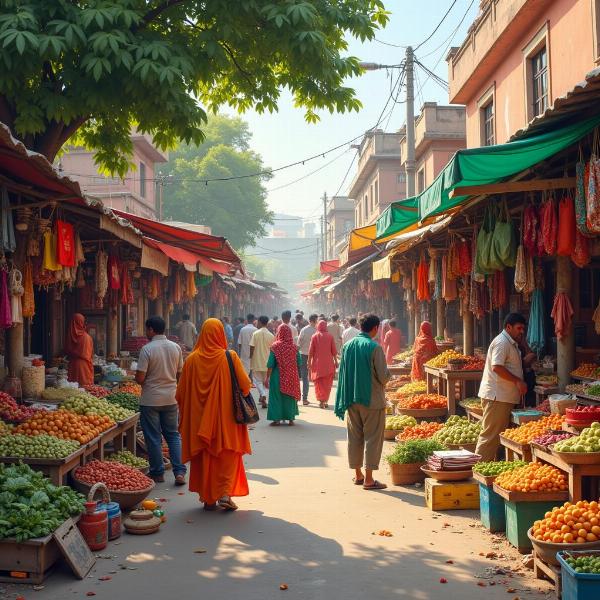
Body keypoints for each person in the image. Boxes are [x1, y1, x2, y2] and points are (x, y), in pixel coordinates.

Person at [176, 318, 252, 511]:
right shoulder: (229, 356)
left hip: (199, 423)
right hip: (225, 421)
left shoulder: (191, 360)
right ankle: (224, 493)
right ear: (220, 334)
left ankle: (208, 497)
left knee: (203, 458)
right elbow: (245, 385)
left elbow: (180, 394)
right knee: (225, 457)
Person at [335, 314, 390, 490]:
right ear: (375, 328)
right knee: (373, 439)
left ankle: (358, 475)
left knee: (355, 438)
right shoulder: (375, 347)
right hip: (372, 400)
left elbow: (342, 372)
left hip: (351, 398)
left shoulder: (347, 346)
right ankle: (369, 479)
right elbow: (383, 376)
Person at [135, 316, 186, 486]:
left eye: (146, 329)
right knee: (173, 436)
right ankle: (179, 472)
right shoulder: (176, 347)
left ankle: (158, 473)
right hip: (171, 398)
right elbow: (180, 374)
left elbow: (140, 378)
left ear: (151, 329)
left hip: (151, 400)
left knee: (153, 437)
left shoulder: (147, 349)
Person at [475, 313, 528, 462]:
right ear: (508, 327)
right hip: (497, 397)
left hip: (503, 397)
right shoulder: (502, 342)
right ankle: (477, 473)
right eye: (519, 328)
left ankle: (485, 470)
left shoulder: (511, 343)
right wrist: (518, 381)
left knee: (494, 436)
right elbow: (497, 367)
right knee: (490, 436)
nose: (521, 331)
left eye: (523, 328)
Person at [265, 324, 301, 426]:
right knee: (290, 396)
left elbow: (271, 364)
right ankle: (290, 419)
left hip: (278, 376)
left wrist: (267, 378)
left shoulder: (275, 347)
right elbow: (299, 362)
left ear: (279, 333)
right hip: (291, 375)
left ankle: (276, 419)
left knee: (276, 396)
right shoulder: (294, 347)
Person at [309, 320, 338, 409]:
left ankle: (321, 401)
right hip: (328, 364)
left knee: (319, 384)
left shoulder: (314, 336)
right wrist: (336, 361)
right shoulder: (330, 336)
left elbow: (311, 351)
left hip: (317, 364)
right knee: (327, 384)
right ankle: (325, 400)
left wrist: (308, 361)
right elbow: (334, 351)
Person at [250, 316, 275, 408]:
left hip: (257, 360)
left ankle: (263, 395)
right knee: (265, 381)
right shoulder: (271, 335)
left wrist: (250, 356)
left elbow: (252, 346)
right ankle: (263, 398)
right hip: (268, 362)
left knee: (257, 381)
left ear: (260, 322)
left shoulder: (255, 333)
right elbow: (273, 349)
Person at [65, 313, 94, 386]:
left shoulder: (70, 336)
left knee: (73, 390)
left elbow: (67, 350)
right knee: (85, 390)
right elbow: (91, 354)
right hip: (84, 366)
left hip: (73, 365)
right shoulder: (87, 337)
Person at [297, 314, 318, 405]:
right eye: (316, 320)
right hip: (314, 356)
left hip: (303, 355)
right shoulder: (317, 331)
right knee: (313, 377)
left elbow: (299, 343)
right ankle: (320, 398)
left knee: (304, 377)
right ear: (314, 321)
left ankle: (304, 398)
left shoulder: (304, 330)